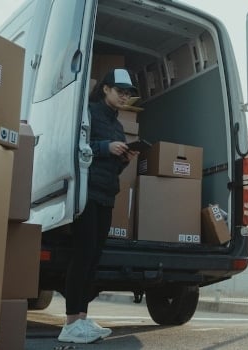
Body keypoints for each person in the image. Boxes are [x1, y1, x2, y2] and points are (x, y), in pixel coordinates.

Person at [57, 68, 140, 344]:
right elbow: (74, 146)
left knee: (94, 256)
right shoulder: (89, 113)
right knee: (82, 254)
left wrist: (122, 159)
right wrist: (107, 148)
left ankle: (82, 318)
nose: (124, 97)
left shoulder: (118, 125)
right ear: (105, 88)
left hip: (106, 194)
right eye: (120, 91)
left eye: (127, 94)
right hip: (86, 193)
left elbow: (110, 167)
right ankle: (70, 323)